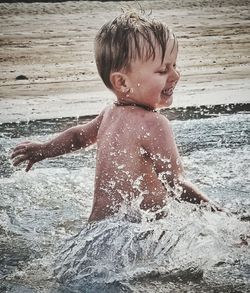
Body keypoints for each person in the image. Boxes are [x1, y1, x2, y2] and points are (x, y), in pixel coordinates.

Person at [11, 12, 219, 222]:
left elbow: (78, 138)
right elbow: (176, 183)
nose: (175, 76)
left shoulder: (109, 113)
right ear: (122, 83)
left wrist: (44, 149)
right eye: (163, 70)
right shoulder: (155, 124)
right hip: (134, 233)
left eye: (174, 66)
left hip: (98, 228)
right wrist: (220, 215)